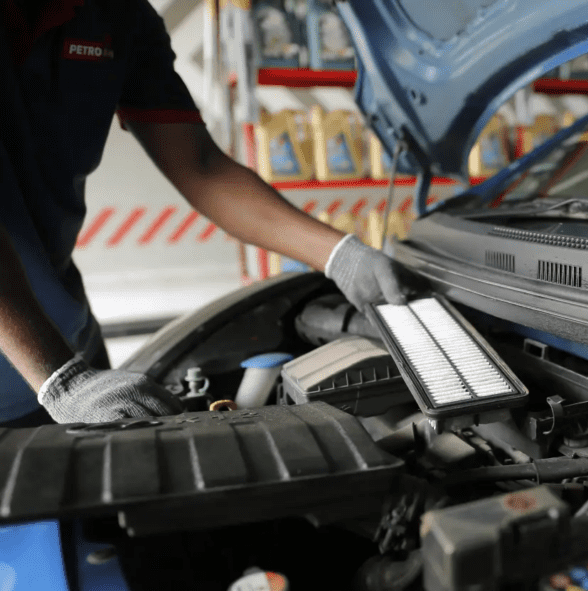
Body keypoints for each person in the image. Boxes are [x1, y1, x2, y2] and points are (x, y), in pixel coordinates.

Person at [0, 0, 406, 427]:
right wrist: (60, 381)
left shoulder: (119, 16)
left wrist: (339, 254)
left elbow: (202, 168)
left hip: (68, 342)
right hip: (41, 369)